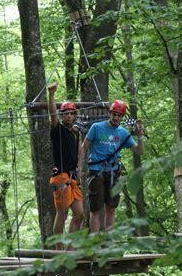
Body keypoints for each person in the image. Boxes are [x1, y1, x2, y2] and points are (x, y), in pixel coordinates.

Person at [78, 99, 144, 232]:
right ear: (110, 113)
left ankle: (109, 243)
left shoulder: (123, 133)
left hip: (113, 173)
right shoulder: (96, 127)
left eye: (119, 115)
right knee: (95, 209)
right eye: (114, 114)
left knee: (111, 208)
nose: (116, 118)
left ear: (122, 117)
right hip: (96, 171)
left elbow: (139, 151)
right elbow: (83, 147)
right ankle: (95, 244)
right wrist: (79, 168)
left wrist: (140, 137)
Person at [47, 82, 84, 250]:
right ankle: (59, 251)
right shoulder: (58, 130)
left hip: (72, 178)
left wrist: (80, 172)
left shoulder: (75, 134)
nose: (68, 116)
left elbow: (79, 154)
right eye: (66, 114)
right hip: (61, 177)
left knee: (80, 213)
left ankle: (71, 250)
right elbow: (52, 114)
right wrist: (52, 95)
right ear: (62, 116)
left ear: (74, 116)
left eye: (71, 114)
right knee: (62, 214)